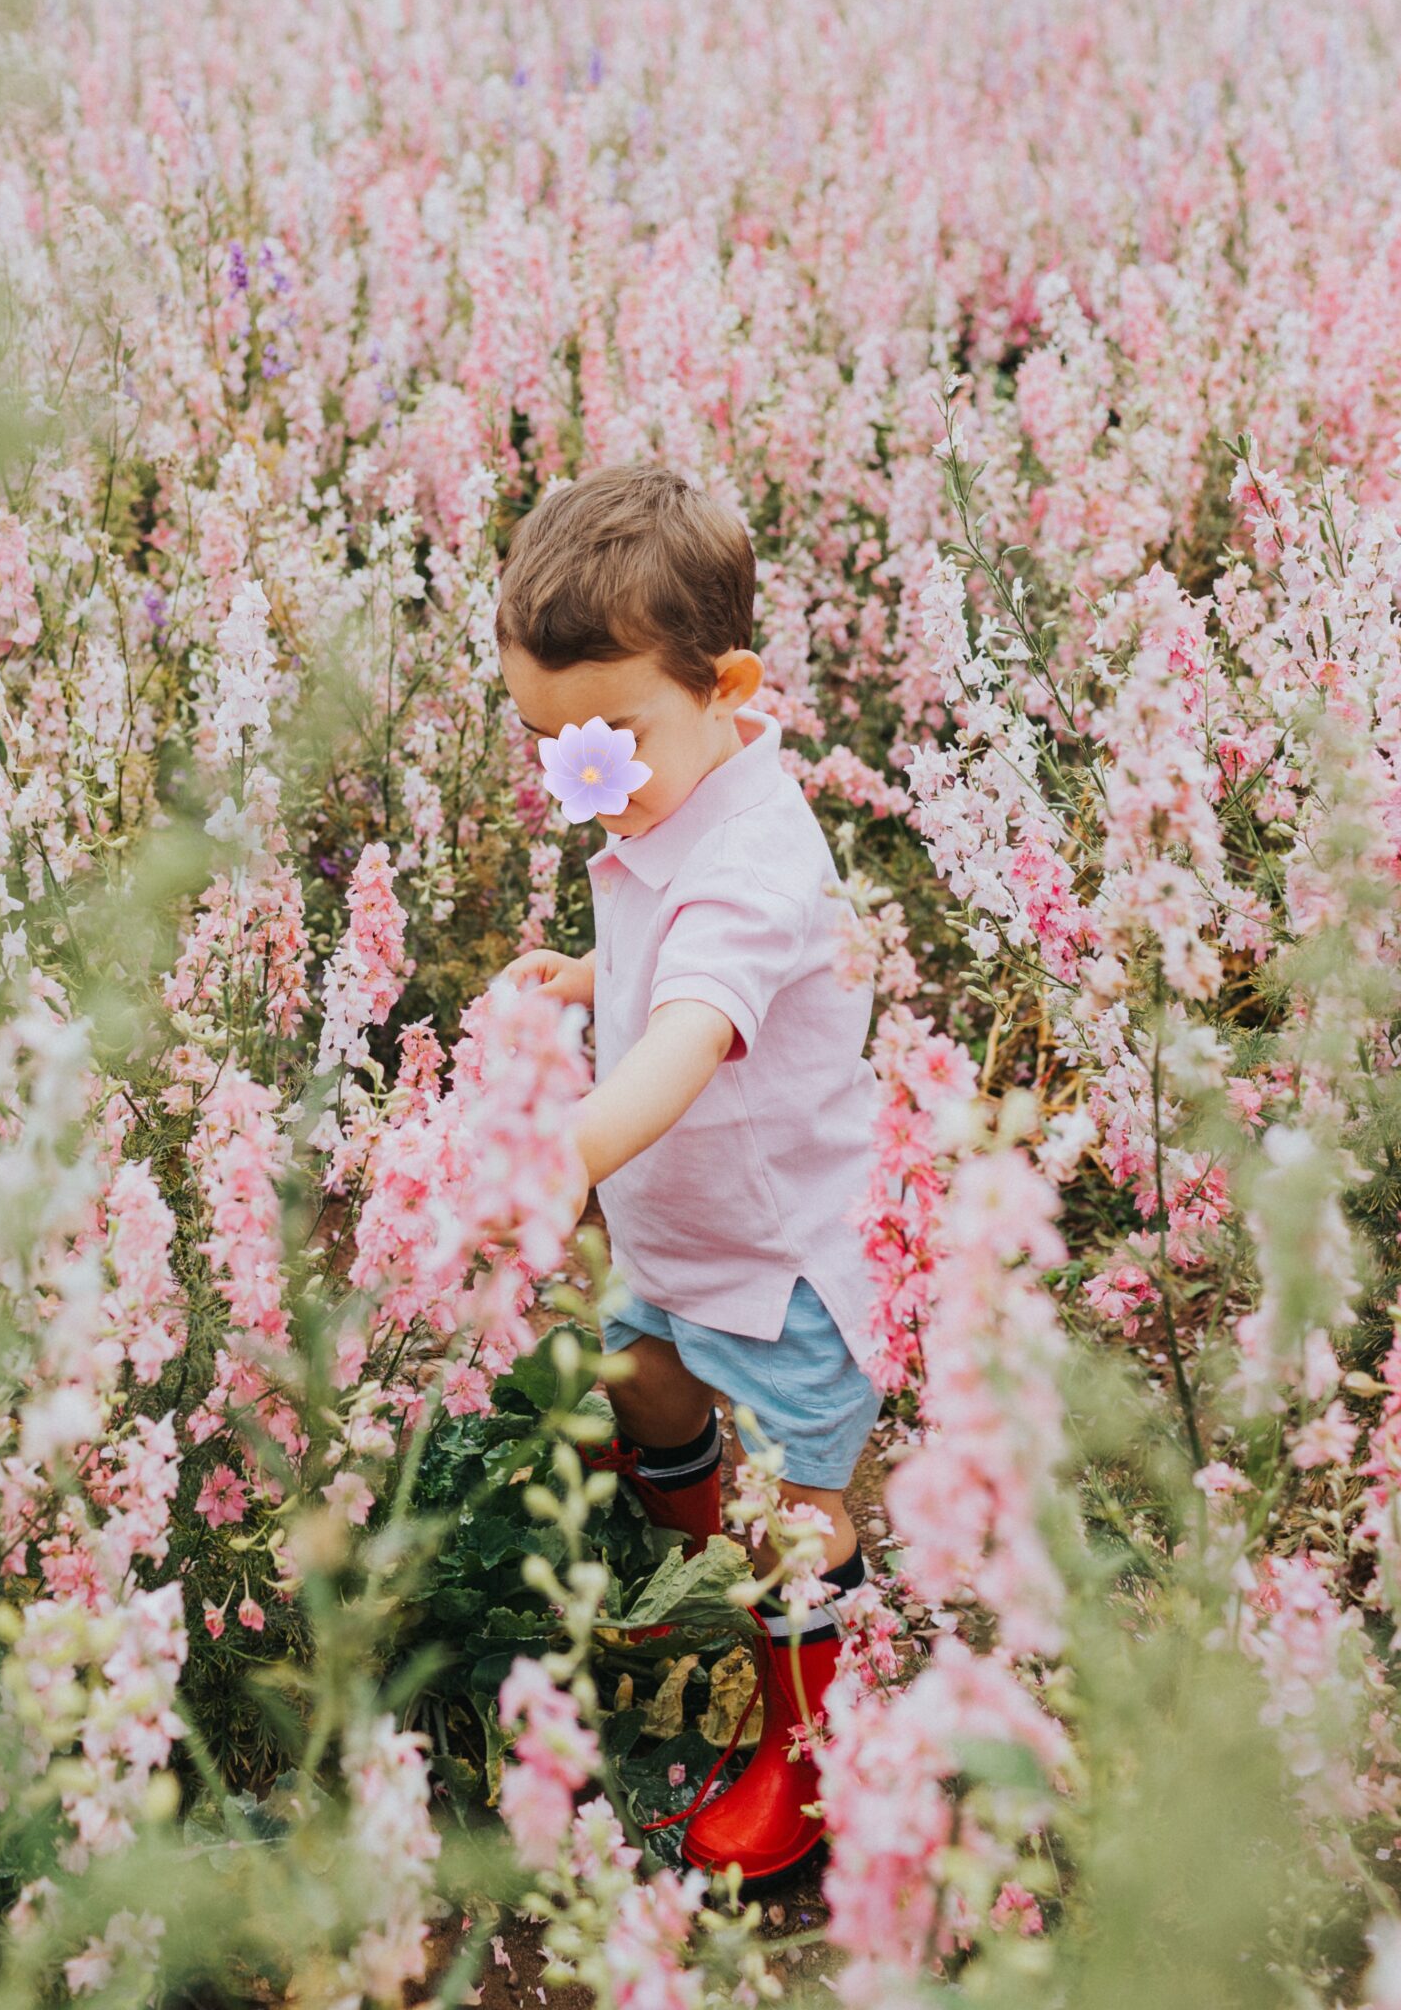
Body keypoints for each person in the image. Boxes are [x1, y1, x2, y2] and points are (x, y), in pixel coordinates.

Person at [494, 464, 884, 1884]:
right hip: (679, 1232)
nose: (578, 770)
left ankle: (807, 1743)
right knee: (641, 1379)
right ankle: (684, 1566)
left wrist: (553, 1149)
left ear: (731, 686)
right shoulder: (679, 797)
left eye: (607, 734)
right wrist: (595, 977)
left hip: (780, 1259)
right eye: (543, 735)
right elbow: (669, 985)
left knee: (801, 1516)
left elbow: (691, 1034)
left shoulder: (750, 859)